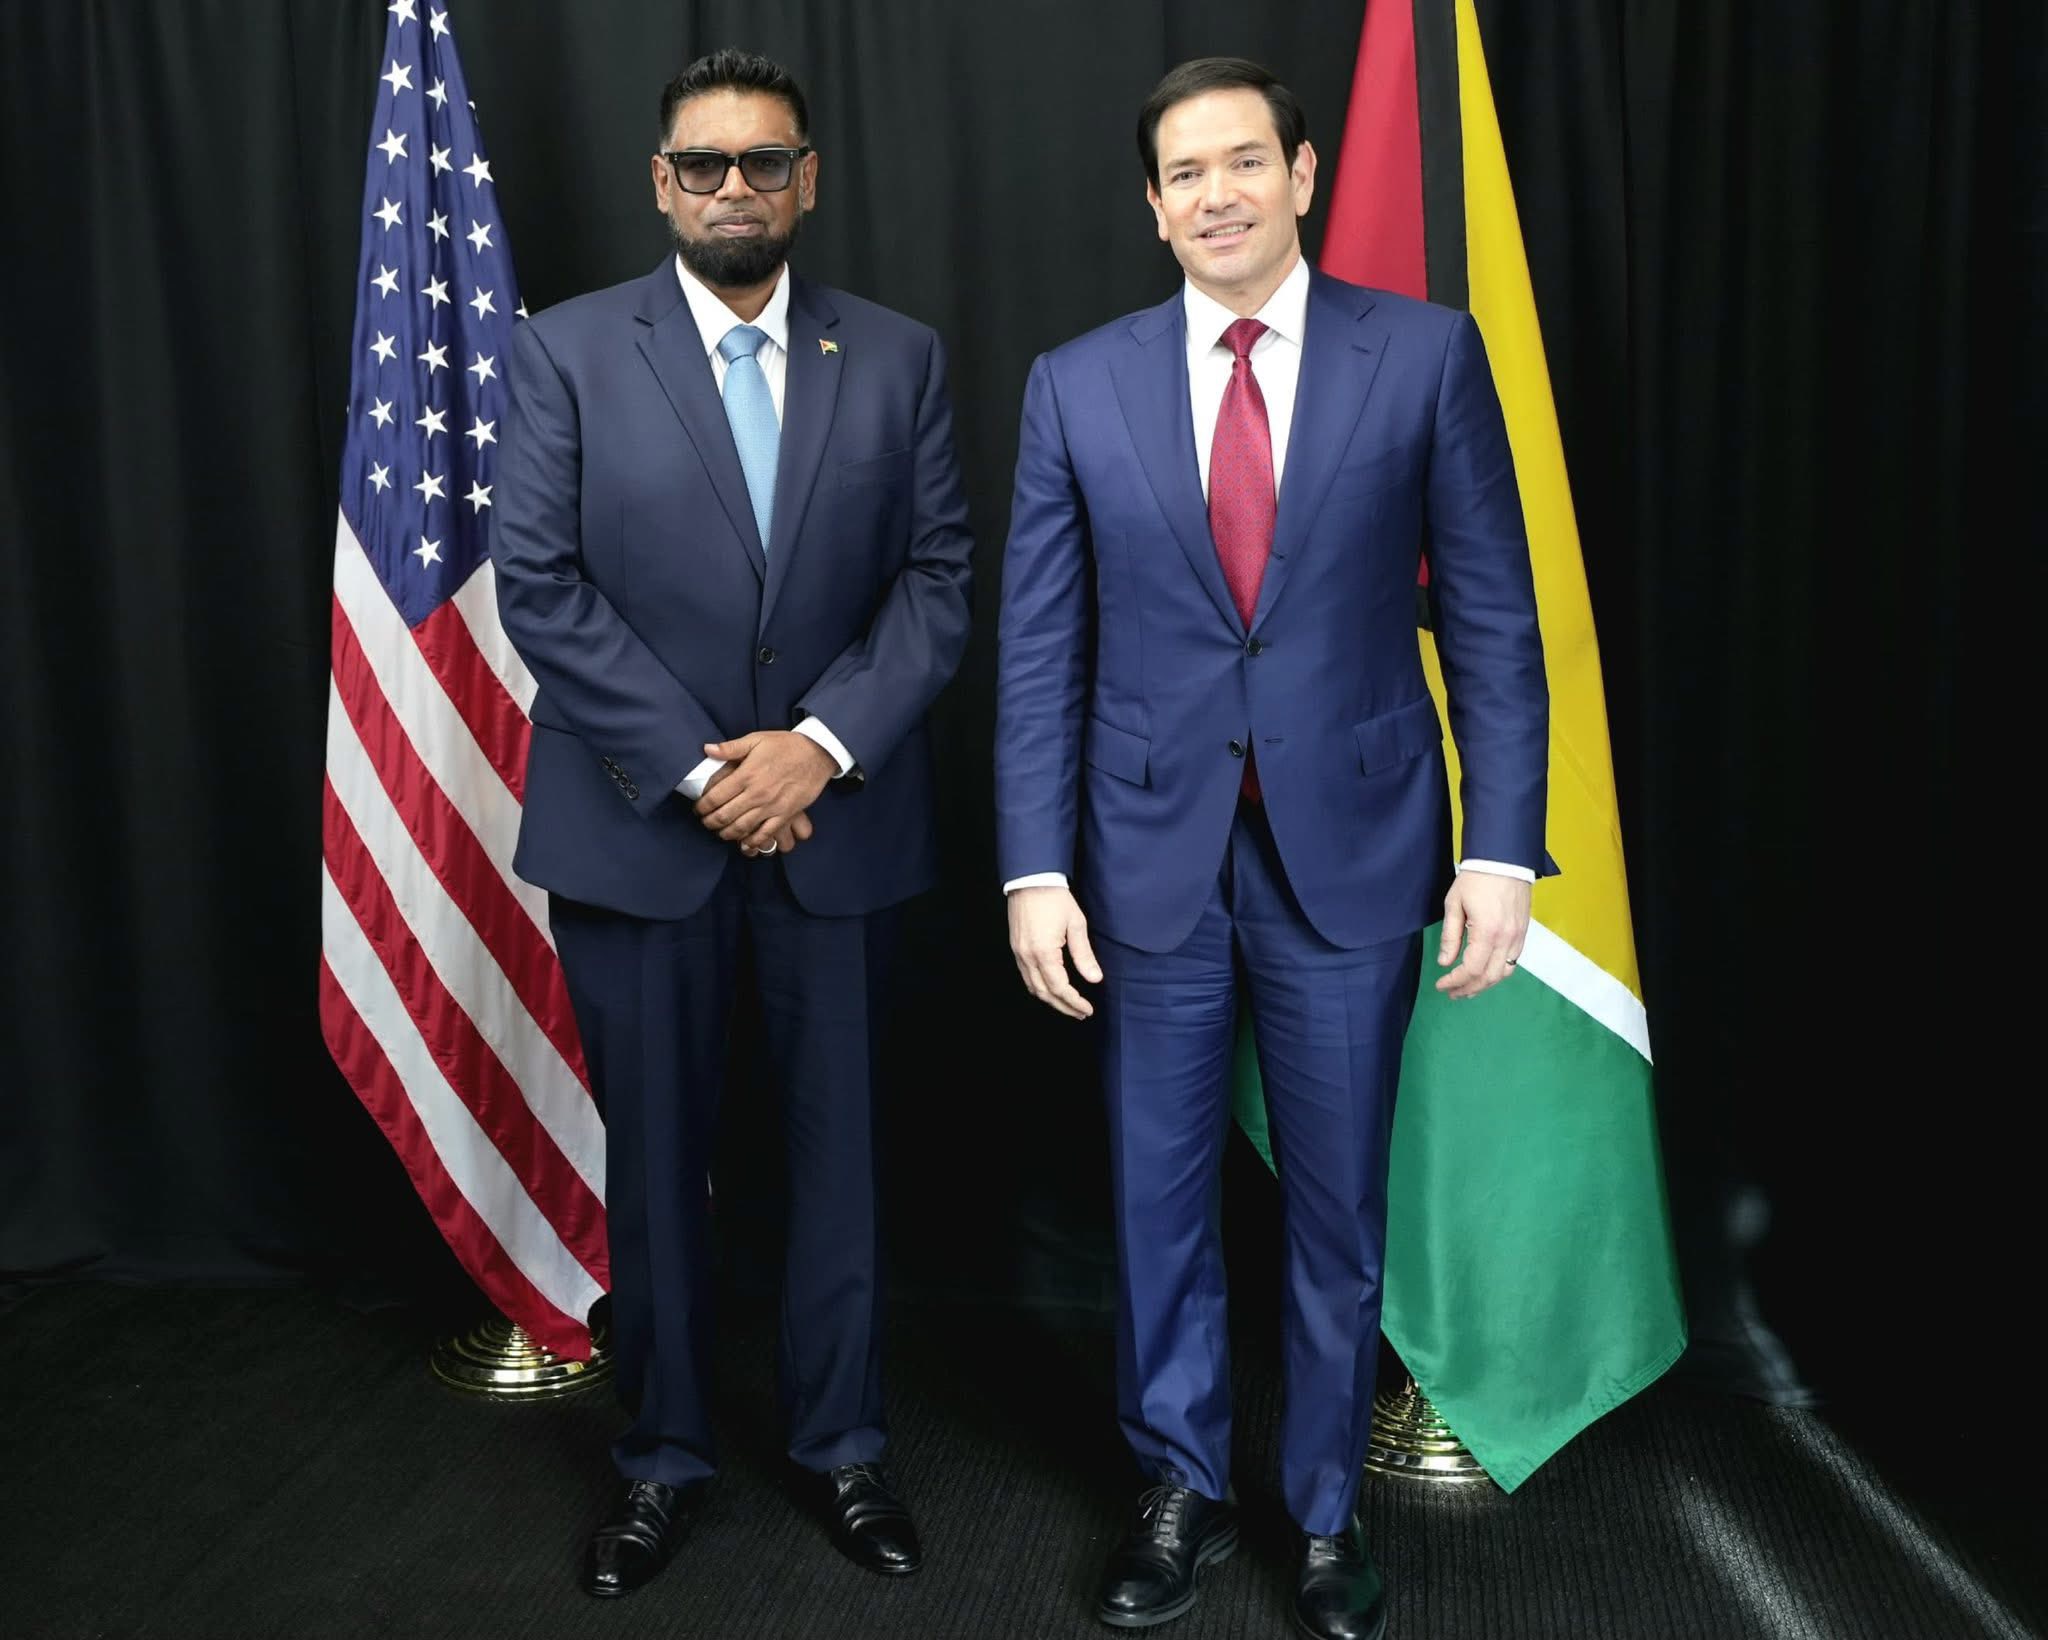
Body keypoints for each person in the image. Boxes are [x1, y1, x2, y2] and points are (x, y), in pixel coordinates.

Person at [995, 57, 1549, 1640]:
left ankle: (1321, 1512)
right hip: (1145, 863)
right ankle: (1178, 1489)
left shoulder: (1425, 356)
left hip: (1356, 854)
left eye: (1245, 160)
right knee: (1156, 1201)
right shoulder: (1075, 384)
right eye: (1186, 172)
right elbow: (1040, 649)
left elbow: (1494, 618)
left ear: (1302, 176)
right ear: (1153, 204)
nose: (1217, 194)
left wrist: (1502, 848)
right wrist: (1034, 867)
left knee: (1336, 1211)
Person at [491, 48, 973, 1599]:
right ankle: (662, 1459)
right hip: (640, 832)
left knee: (843, 1164)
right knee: (657, 1165)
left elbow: (938, 581)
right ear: (662, 183)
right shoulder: (565, 352)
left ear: (807, 179)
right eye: (703, 165)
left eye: (765, 163)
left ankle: (845, 1447)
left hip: (838, 829)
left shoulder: (898, 357)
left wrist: (817, 750)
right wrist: (708, 775)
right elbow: (540, 587)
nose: (734, 189)